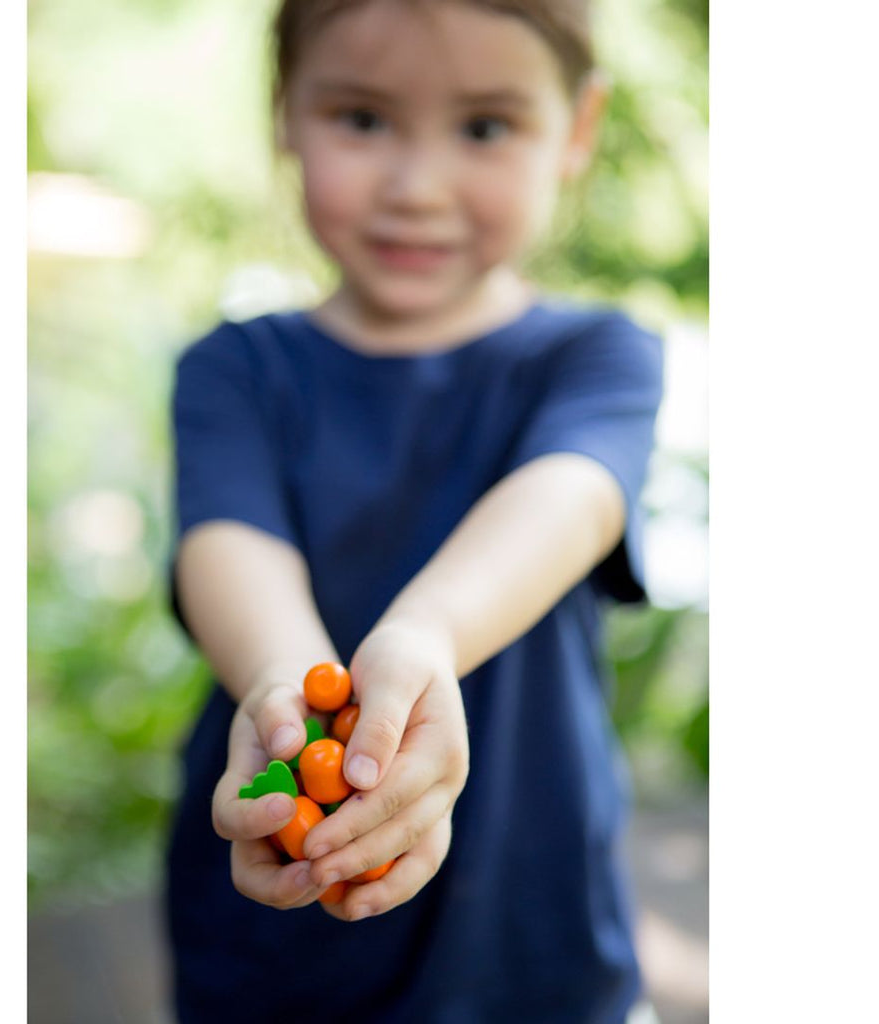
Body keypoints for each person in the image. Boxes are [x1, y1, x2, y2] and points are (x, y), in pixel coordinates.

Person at [166, 1, 665, 1021]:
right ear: (284, 116)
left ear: (574, 131)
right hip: (281, 928)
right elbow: (228, 545)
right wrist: (280, 693)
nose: (414, 188)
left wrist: (424, 636)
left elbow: (569, 500)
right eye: (360, 118)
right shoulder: (236, 371)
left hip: (530, 927)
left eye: (483, 127)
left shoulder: (594, 358)